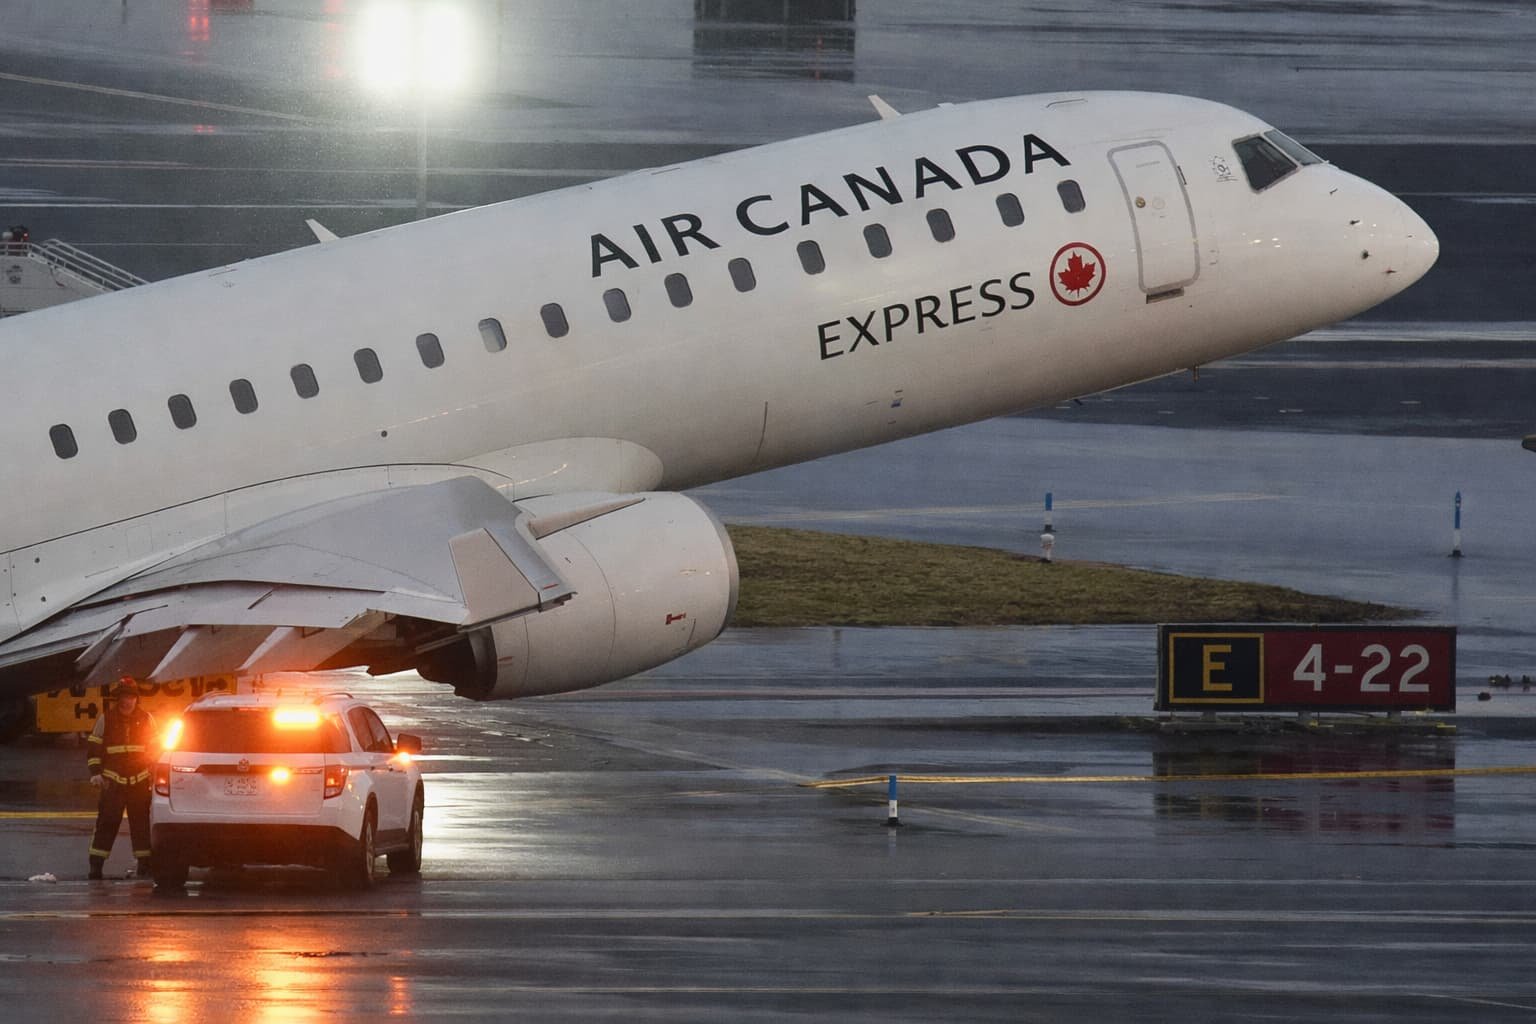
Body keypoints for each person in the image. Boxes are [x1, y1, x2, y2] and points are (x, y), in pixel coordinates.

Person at [86, 678, 158, 880]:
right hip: (113, 782)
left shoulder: (146, 719)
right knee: (107, 823)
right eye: (124, 696)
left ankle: (144, 865)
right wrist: (95, 772)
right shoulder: (106, 719)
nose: (128, 701)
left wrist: (153, 769)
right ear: (119, 698)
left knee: (141, 825)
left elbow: (156, 746)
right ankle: (96, 866)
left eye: (131, 696)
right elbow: (94, 746)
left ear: (137, 698)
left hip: (139, 781)